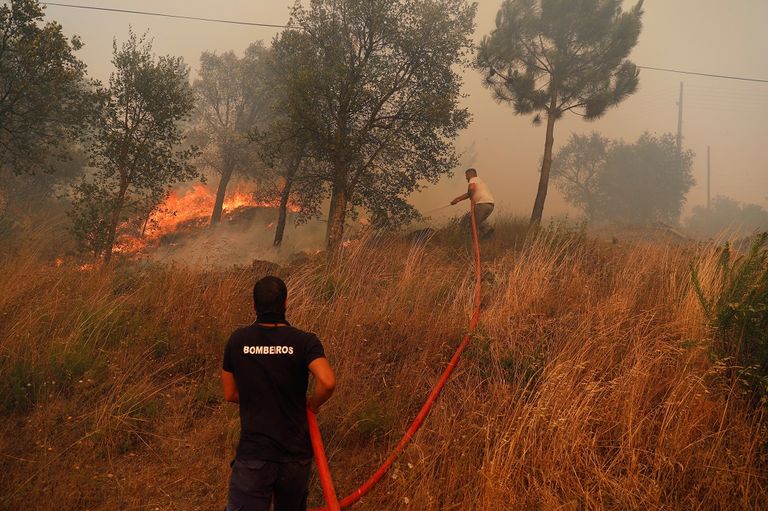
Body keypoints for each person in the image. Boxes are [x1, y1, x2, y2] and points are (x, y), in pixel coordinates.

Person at [222, 276, 336, 511]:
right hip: (295, 456)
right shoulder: (305, 341)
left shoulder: (238, 341)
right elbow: (327, 382)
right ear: (285, 304)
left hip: (254, 455)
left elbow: (230, 393)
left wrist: (259, 396)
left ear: (254, 306)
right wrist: (312, 405)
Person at [451, 168, 495, 238]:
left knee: (470, 222)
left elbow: (471, 190)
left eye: (466, 175)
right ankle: (487, 231)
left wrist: (458, 199)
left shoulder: (473, 179)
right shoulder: (480, 181)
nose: (466, 178)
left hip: (482, 204)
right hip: (490, 205)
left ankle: (474, 238)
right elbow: (469, 194)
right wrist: (458, 199)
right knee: (476, 220)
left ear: (470, 174)